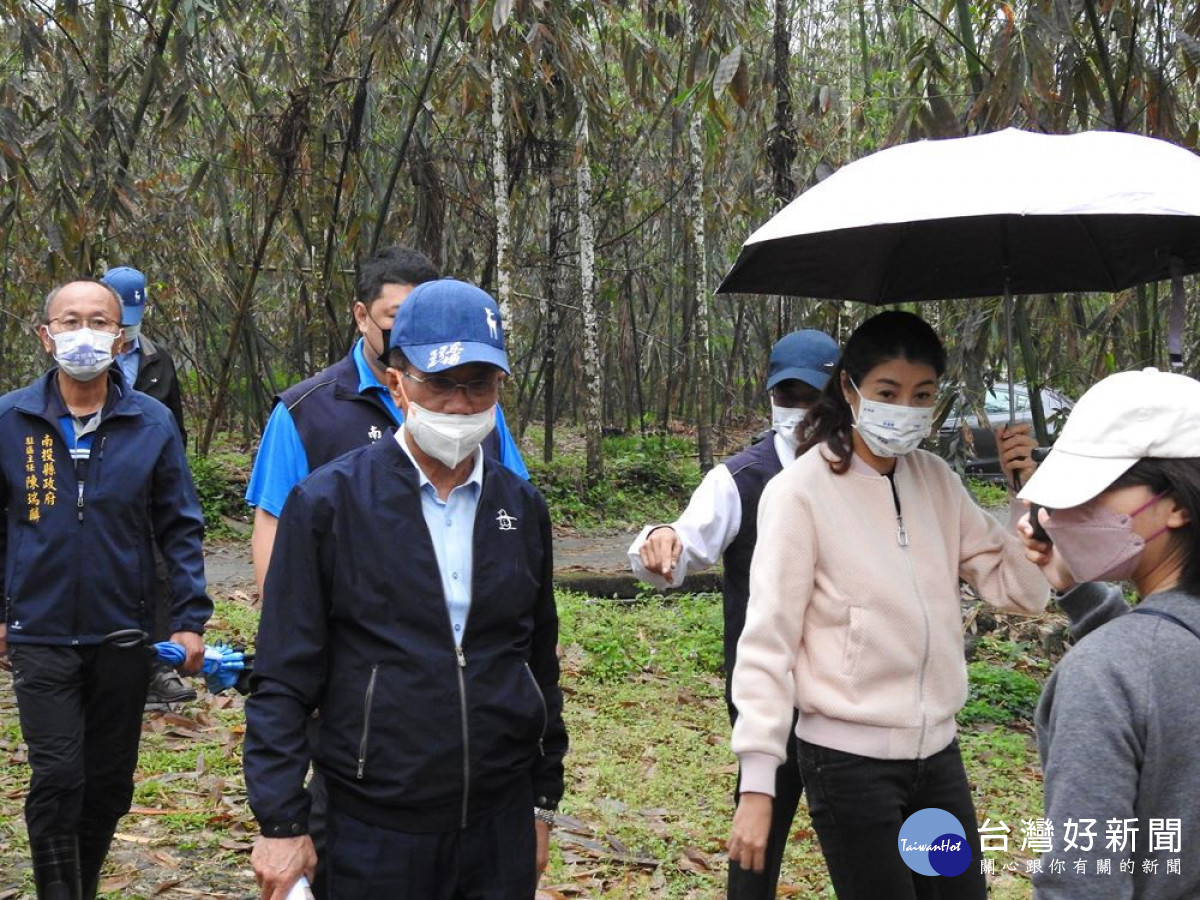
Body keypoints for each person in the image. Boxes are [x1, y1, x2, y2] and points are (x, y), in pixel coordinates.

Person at [244, 278, 567, 900]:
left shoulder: (521, 508)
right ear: (397, 384)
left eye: (479, 385)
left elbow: (537, 663)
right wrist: (282, 821)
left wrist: (541, 803)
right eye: (439, 383)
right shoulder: (330, 504)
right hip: (373, 823)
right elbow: (283, 673)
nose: (458, 404)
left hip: (498, 820)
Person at [727, 310, 1049, 899]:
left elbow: (1022, 591)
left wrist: (1023, 493)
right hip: (848, 761)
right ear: (849, 389)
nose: (905, 408)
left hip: (936, 756)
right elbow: (768, 643)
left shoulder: (937, 482)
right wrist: (757, 784)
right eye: (888, 392)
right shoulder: (800, 493)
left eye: (922, 394)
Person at [0, 280, 211, 899]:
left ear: (119, 338)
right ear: (46, 335)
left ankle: (81, 886)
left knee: (110, 783)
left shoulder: (151, 422)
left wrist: (188, 619)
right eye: (69, 320)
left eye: (98, 321)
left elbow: (179, 525)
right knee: (59, 775)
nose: (83, 331)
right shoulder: (11, 419)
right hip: (39, 632)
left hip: (125, 630)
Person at [629, 328, 839, 898]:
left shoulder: (866, 475)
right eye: (787, 396)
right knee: (757, 838)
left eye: (813, 397)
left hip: (850, 697)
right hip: (769, 695)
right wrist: (658, 540)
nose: (799, 411)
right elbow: (681, 543)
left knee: (863, 838)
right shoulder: (740, 480)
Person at [1015, 367, 1200, 899]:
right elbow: (1167, 660)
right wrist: (1078, 589)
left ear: (1179, 502)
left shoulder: (1103, 674)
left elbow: (1081, 882)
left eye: (1094, 494)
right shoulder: (1142, 658)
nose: (1063, 517)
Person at [246, 246, 528, 593]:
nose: (409, 334)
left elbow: (517, 506)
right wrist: (282, 628)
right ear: (362, 316)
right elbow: (274, 522)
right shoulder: (305, 412)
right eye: (396, 318)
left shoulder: (474, 407)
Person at [100, 265, 197, 708]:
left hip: (151, 484)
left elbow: (174, 425)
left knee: (160, 573)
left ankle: (156, 667)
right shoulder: (85, 353)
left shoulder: (157, 359)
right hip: (99, 485)